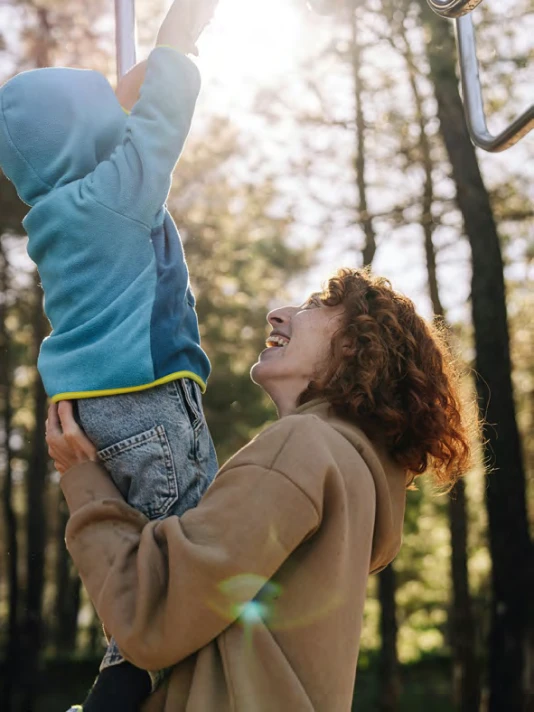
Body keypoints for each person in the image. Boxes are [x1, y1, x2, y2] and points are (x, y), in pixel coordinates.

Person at [47, 268, 474, 711]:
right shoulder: (356, 479)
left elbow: (152, 615)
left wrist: (82, 477)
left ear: (354, 343)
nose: (277, 315)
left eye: (314, 306)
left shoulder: (304, 447)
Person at [0, 0, 219, 708]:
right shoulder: (109, 198)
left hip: (112, 407)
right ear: (84, 137)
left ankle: (124, 673)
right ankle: (125, 690)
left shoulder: (65, 208)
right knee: (177, 559)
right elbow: (157, 127)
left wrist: (131, 80)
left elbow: (112, 116)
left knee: (148, 555)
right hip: (146, 401)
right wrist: (175, 40)